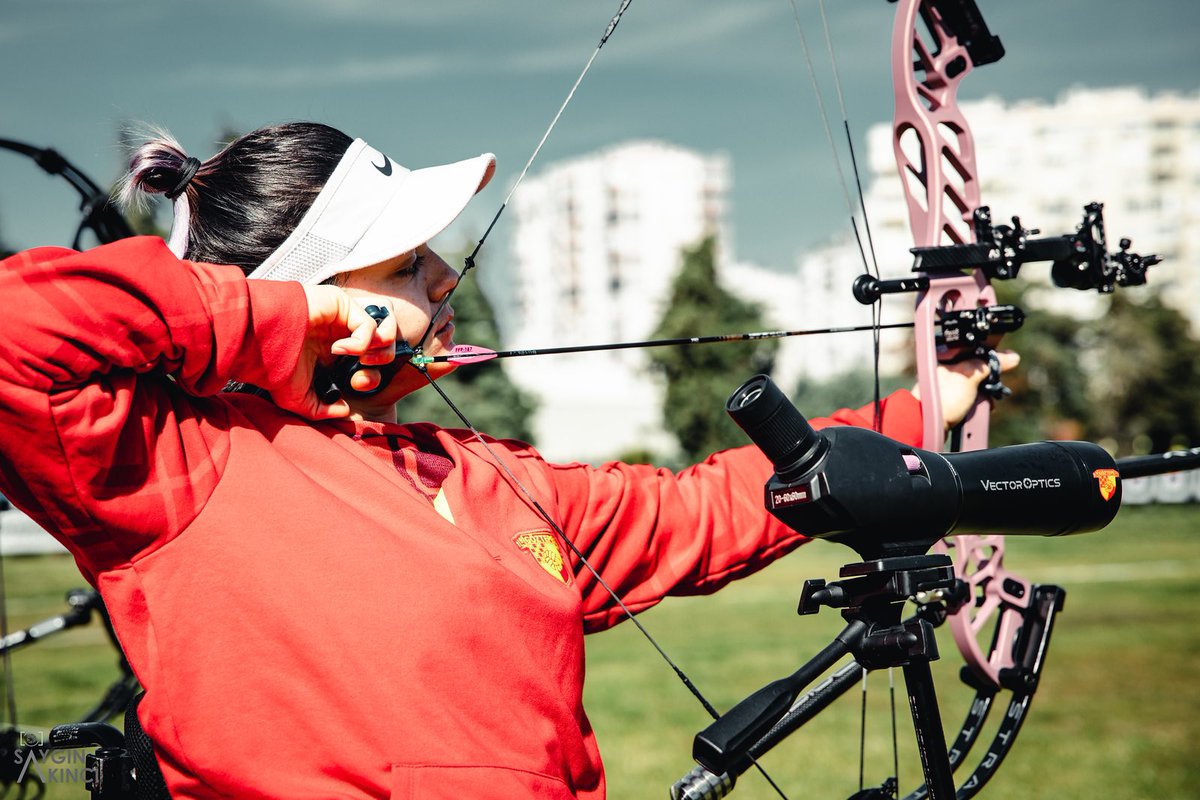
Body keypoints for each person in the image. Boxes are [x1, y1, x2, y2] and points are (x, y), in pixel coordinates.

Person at [0, 122, 1012, 799]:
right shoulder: (175, 466)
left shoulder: (487, 475)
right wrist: (288, 314)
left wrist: (921, 402)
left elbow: (703, 507)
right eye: (402, 265)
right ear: (312, 293)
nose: (446, 273)